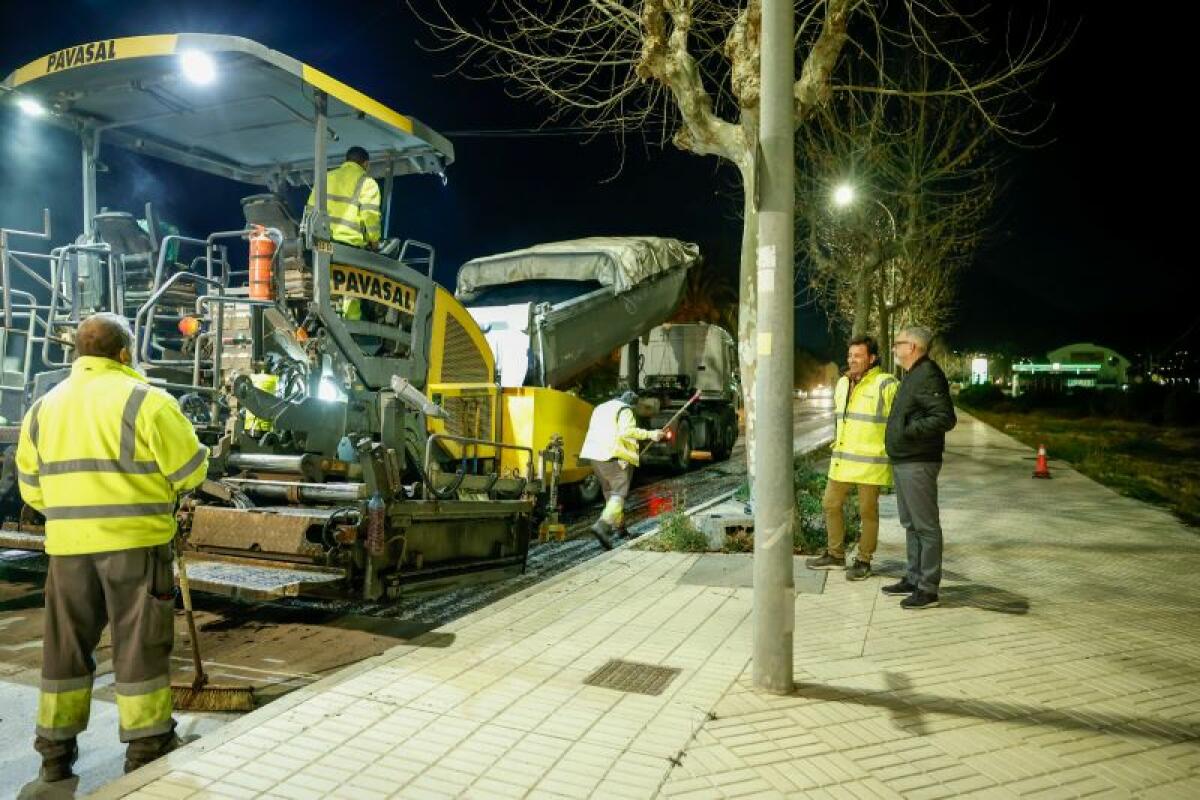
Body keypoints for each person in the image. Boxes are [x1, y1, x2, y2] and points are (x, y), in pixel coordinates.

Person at [15, 313, 209, 782]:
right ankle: (147, 744)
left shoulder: (43, 407)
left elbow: (30, 488)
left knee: (64, 649)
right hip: (135, 548)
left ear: (79, 353)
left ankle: (55, 755)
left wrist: (72, 512)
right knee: (139, 645)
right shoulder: (148, 402)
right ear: (124, 353)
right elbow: (190, 472)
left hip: (67, 550)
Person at [807, 336, 897, 580]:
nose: (851, 360)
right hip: (843, 459)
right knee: (830, 504)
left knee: (868, 512)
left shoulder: (886, 384)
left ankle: (863, 560)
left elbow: (899, 422)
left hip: (871, 462)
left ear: (872, 358)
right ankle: (835, 555)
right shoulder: (843, 383)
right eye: (850, 355)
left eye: (857, 356)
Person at [882, 325, 957, 610]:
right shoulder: (914, 374)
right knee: (911, 523)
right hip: (905, 460)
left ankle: (927, 588)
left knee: (925, 526)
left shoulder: (927, 374)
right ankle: (913, 578)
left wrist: (909, 430)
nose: (894, 348)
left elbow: (945, 418)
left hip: (918, 460)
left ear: (912, 347)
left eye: (897, 343)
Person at [579, 390, 664, 550]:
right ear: (631, 404)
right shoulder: (625, 410)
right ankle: (602, 526)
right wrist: (651, 434)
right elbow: (627, 431)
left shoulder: (601, 408)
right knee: (619, 494)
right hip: (612, 455)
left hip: (595, 456)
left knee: (610, 494)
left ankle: (620, 529)